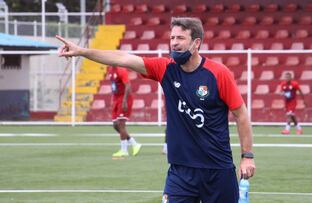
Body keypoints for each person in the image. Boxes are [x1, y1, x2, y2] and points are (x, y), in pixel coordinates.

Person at [56, 17, 255, 203]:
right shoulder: (165, 68)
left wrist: (247, 156)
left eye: (180, 38)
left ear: (196, 43)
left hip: (217, 170)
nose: (174, 43)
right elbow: (122, 58)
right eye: (172, 38)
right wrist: (82, 51)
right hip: (180, 172)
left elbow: (241, 114)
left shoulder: (218, 74)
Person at [108, 66, 142, 158]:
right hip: (116, 99)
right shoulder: (110, 69)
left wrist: (124, 101)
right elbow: (114, 86)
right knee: (115, 125)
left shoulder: (121, 70)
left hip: (124, 99)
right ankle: (134, 143)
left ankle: (124, 150)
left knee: (121, 124)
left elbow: (128, 85)